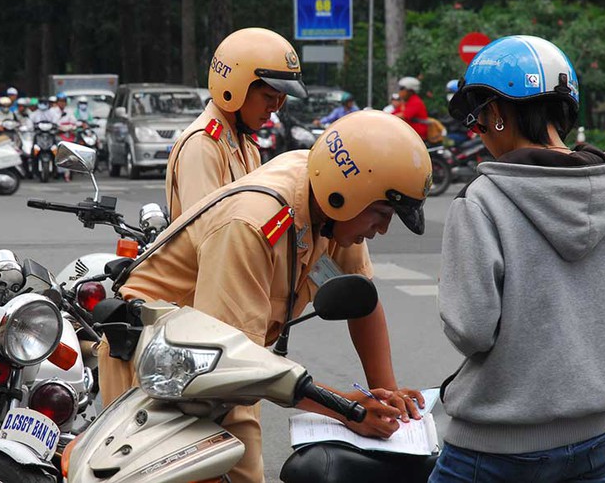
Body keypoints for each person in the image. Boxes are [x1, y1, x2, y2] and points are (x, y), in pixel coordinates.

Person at [99, 110, 433, 483]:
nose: (383, 230)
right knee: (233, 474)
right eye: (382, 213)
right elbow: (236, 366)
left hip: (221, 363)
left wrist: (384, 396)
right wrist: (349, 411)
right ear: (347, 196)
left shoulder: (329, 201)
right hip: (159, 362)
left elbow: (362, 301)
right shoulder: (252, 226)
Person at [430, 35, 605, 483]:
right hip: (594, 441)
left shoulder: (481, 201)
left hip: (495, 447)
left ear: (498, 114)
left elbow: (471, 330)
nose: (478, 133)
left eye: (478, 118)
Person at [166, 28, 306, 220]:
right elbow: (206, 232)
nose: (274, 107)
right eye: (268, 97)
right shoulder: (203, 145)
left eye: (281, 98)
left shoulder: (245, 144)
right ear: (235, 87)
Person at [395, 76, 429, 141]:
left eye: (402, 89)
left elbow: (404, 116)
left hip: (417, 136)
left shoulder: (416, 102)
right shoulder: (405, 103)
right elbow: (394, 113)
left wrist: (387, 117)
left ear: (410, 91)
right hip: (409, 134)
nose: (400, 91)